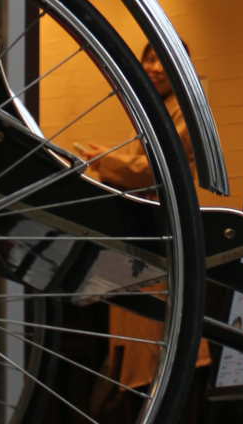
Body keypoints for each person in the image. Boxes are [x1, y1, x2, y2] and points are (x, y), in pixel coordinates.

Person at [79, 42, 210, 419]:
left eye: (162, 60)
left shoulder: (183, 108)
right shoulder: (159, 110)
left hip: (160, 240)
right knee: (143, 354)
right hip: (145, 241)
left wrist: (107, 162)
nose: (154, 67)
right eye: (149, 59)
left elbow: (157, 169)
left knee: (156, 353)